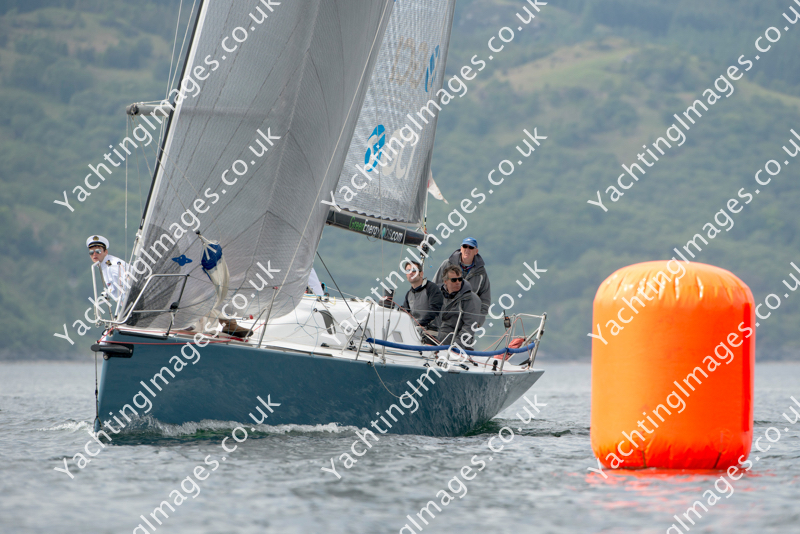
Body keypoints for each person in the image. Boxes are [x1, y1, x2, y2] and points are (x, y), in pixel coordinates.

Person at [433, 237, 490, 323]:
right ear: (461, 248)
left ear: (476, 251)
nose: (467, 249)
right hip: (444, 317)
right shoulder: (447, 264)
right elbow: (434, 288)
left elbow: (485, 299)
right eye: (465, 246)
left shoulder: (481, 272)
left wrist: (478, 321)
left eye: (471, 247)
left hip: (467, 320)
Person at [427, 264, 482, 347]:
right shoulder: (438, 295)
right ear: (445, 281)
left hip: (456, 341)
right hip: (437, 336)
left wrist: (455, 346)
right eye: (454, 280)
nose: (458, 282)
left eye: (460, 279)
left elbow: (469, 327)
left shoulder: (471, 299)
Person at [399, 260, 443, 329]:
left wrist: (420, 324)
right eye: (408, 271)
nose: (411, 273)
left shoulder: (431, 288)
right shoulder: (409, 294)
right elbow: (405, 312)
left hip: (431, 331)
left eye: (414, 270)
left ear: (421, 274)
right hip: (415, 330)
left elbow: (434, 309)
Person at [86, 235, 129, 302]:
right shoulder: (104, 265)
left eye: (98, 251)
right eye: (91, 252)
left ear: (105, 252)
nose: (94, 254)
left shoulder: (112, 266)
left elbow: (129, 284)